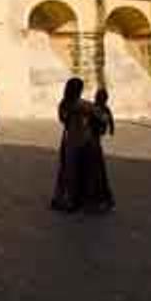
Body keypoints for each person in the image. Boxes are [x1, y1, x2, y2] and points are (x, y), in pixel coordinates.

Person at [51, 77, 96, 212]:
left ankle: (66, 198)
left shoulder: (64, 104)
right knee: (77, 171)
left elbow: (62, 118)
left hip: (70, 140)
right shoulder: (83, 105)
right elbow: (100, 116)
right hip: (81, 141)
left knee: (68, 171)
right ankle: (74, 199)